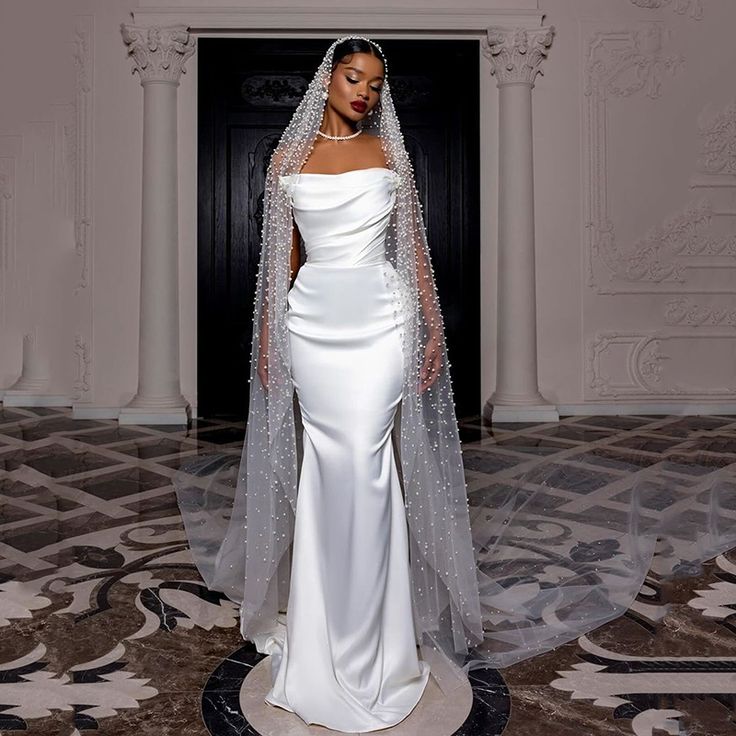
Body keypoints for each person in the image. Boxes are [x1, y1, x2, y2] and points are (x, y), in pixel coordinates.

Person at [174, 33, 736, 734]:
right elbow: (281, 264)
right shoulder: (288, 159)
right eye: (354, 77)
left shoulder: (388, 156)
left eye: (375, 84)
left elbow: (410, 251)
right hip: (312, 324)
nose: (364, 92)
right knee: (328, 467)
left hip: (381, 322)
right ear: (329, 81)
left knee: (370, 465)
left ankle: (377, 650)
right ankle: (324, 643)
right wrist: (269, 343)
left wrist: (433, 329)